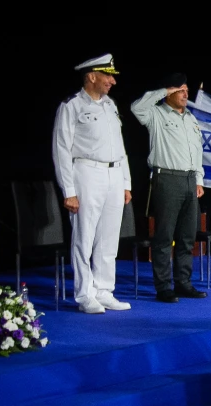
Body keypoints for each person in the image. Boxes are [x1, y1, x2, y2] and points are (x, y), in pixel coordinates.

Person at [52, 54, 132, 314]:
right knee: (84, 237)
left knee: (109, 238)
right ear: (92, 76)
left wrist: (126, 182)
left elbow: (120, 147)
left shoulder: (111, 105)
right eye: (108, 75)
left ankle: (104, 290)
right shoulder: (71, 105)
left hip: (114, 175)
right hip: (86, 172)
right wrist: (69, 191)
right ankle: (85, 294)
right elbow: (61, 149)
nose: (112, 81)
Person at [131, 73, 207, 303]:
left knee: (186, 237)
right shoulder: (156, 114)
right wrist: (164, 91)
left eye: (187, 90)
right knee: (164, 237)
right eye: (181, 90)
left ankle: (183, 283)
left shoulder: (190, 119)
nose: (186, 94)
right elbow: (137, 107)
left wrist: (199, 180)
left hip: (189, 180)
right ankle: (163, 286)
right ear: (170, 92)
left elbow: (197, 151)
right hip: (167, 179)